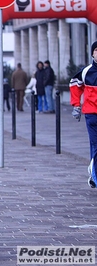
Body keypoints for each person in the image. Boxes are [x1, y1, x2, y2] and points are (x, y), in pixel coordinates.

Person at [70, 40, 97, 189]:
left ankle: (93, 170)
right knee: (96, 145)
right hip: (92, 114)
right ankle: (95, 176)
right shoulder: (86, 71)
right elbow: (74, 84)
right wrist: (76, 105)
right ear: (92, 53)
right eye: (96, 50)